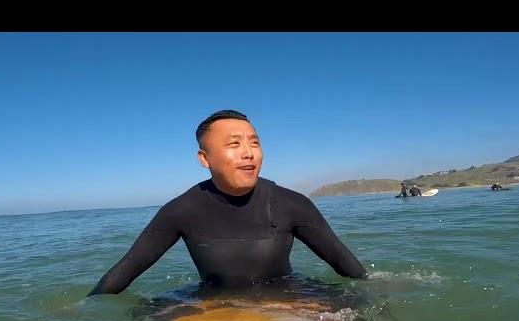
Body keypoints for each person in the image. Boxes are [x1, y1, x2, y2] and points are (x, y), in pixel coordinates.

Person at [87, 110, 368, 296]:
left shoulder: (292, 204)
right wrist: (85, 308)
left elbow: (347, 266)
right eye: (234, 144)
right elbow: (125, 271)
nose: (248, 153)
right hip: (213, 304)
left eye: (254, 143)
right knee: (144, 316)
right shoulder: (181, 211)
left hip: (287, 298)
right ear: (204, 159)